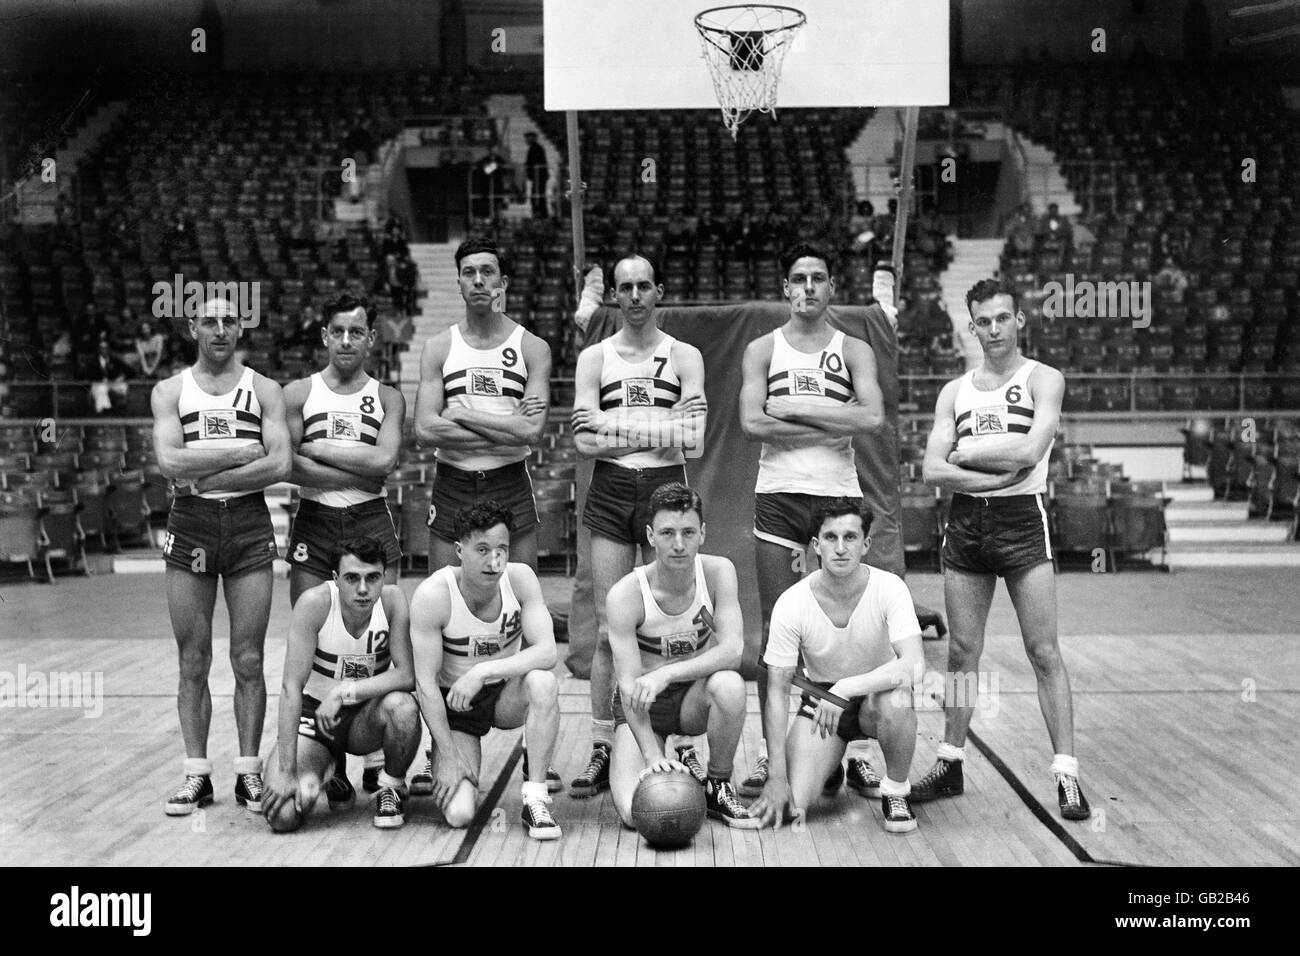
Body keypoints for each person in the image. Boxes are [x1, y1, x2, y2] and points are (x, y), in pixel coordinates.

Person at [914, 277, 1089, 820]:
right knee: (963, 652)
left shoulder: (1044, 379)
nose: (993, 329)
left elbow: (1034, 451)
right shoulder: (954, 391)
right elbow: (930, 469)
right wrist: (995, 469)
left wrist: (966, 457)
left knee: (1043, 651)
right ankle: (950, 763)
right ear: (971, 326)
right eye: (982, 321)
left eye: (1002, 318)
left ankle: (1066, 774)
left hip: (1021, 522)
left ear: (1019, 320)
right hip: (966, 524)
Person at [736, 241, 885, 797]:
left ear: (830, 288)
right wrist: (831, 420)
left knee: (848, 628)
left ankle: (856, 748)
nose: (807, 288)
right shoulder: (761, 350)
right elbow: (752, 423)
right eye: (797, 278)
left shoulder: (854, 349)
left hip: (835, 497)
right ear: (784, 289)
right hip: (778, 494)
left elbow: (870, 416)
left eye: (817, 278)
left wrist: (791, 409)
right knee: (779, 631)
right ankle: (772, 752)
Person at [567, 254, 708, 799]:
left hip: (665, 491)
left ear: (659, 291)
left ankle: (682, 742)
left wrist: (612, 424)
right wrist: (659, 427)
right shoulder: (593, 358)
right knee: (609, 628)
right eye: (623, 288)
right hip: (610, 489)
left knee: (676, 624)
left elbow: (692, 437)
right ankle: (604, 743)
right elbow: (583, 442)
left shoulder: (685, 356)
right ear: (615, 297)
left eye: (643, 286)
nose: (633, 296)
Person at [150, 297, 292, 816]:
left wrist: (200, 471)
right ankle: (197, 776)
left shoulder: (264, 389)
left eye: (229, 320)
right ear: (193, 328)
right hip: (190, 524)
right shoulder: (170, 390)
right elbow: (169, 461)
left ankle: (250, 774)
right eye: (208, 321)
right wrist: (239, 451)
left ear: (240, 327)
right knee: (192, 659)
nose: (219, 329)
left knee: (249, 658)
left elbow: (278, 463)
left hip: (249, 524)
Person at [283, 292, 406, 805]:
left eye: (358, 331)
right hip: (314, 517)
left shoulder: (388, 397)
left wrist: (318, 450)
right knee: (316, 638)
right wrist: (359, 460)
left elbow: (387, 462)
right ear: (325, 336)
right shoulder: (297, 393)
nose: (347, 340)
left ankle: (377, 762)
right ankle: (328, 757)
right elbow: (289, 465)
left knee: (377, 635)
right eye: (339, 331)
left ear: (371, 338)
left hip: (369, 514)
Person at [750, 499, 923, 833]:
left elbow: (914, 665)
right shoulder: (792, 602)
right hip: (822, 703)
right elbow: (776, 693)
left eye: (850, 537)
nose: (841, 548)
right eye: (830, 537)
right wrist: (775, 776)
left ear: (866, 544)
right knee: (792, 806)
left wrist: (846, 688)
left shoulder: (890, 588)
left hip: (877, 696)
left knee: (898, 699)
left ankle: (897, 791)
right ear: (816, 545)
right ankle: (830, 765)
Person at [407, 501, 563, 840]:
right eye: (482, 549)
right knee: (460, 814)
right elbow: (424, 685)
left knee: (543, 682)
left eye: (501, 549)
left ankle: (535, 797)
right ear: (459, 549)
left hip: (504, 694)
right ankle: (441, 757)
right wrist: (446, 754)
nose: (494, 560)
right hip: (456, 706)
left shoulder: (520, 579)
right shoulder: (434, 595)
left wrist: (482, 672)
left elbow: (548, 651)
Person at [606, 484, 758, 828]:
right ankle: (666, 751)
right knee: (638, 814)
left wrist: (667, 673)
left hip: (692, 697)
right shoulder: (626, 595)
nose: (678, 544)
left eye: (688, 532)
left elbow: (733, 650)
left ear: (702, 533)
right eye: (667, 533)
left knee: (730, 685)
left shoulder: (719, 572)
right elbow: (630, 687)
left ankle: (718, 785)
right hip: (642, 707)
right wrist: (653, 757)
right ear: (650, 536)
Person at [260, 536, 420, 831]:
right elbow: (290, 688)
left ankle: (390, 787)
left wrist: (345, 692)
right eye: (352, 578)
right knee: (283, 817)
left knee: (404, 708)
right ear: (335, 578)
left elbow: (407, 675)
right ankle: (328, 769)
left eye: (372, 578)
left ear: (384, 576)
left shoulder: (393, 601)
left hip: (366, 718)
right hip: (317, 719)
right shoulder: (314, 604)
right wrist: (286, 770)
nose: (362, 589)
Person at [414, 237, 551, 573]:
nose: (478, 280)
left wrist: (461, 414)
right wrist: (508, 430)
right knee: (444, 594)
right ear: (459, 282)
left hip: (510, 480)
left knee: (519, 594)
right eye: (469, 272)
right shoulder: (438, 347)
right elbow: (425, 429)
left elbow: (531, 430)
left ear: (502, 283)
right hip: (453, 480)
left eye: (488, 272)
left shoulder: (532, 347)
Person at [523, 131, 549, 219]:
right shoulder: (535, 148)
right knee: (537, 196)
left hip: (539, 177)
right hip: (538, 177)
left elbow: (535, 163)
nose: (526, 140)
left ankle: (540, 213)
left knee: (538, 196)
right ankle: (540, 213)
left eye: (528, 137)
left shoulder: (535, 148)